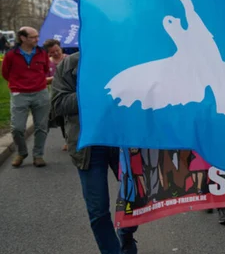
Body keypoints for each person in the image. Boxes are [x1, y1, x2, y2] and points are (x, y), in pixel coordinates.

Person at [51, 52, 139, 254]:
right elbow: (59, 104)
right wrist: (95, 91)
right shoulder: (69, 64)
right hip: (88, 146)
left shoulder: (124, 55)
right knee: (98, 211)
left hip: (123, 142)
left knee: (135, 198)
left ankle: (126, 235)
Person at [2, 27, 51, 168]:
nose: (37, 39)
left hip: (40, 92)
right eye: (33, 37)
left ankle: (38, 155)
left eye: (37, 36)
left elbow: (45, 70)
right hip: (19, 94)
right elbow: (5, 73)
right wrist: (17, 84)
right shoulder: (11, 55)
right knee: (17, 127)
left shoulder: (42, 53)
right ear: (23, 38)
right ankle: (22, 152)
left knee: (41, 126)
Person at [44, 38, 69, 151]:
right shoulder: (47, 62)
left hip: (70, 93)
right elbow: (43, 80)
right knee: (61, 119)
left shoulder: (69, 59)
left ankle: (73, 138)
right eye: (52, 52)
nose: (55, 53)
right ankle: (67, 139)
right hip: (56, 94)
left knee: (71, 117)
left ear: (61, 48)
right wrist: (55, 78)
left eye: (57, 50)